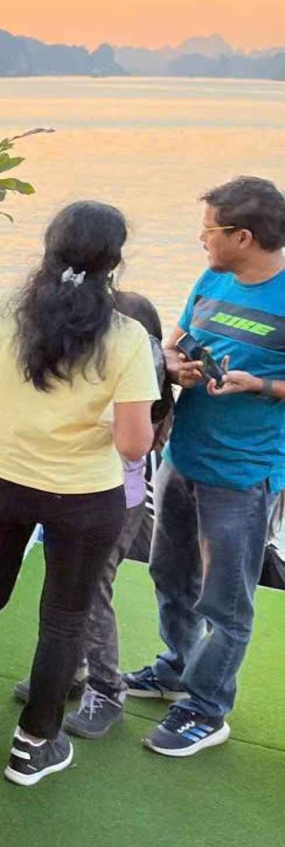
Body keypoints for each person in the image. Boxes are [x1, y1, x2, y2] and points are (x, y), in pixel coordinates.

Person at [0, 201, 159, 786]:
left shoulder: (3, 308)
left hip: (0, 482)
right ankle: (34, 744)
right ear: (113, 262)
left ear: (49, 248)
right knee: (64, 618)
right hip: (82, 498)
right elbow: (134, 444)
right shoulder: (127, 337)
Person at [124, 175, 285, 757]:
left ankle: (206, 708)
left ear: (243, 237)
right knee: (169, 574)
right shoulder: (213, 277)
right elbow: (174, 343)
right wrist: (176, 367)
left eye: (209, 231)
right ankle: (176, 667)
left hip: (244, 475)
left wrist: (259, 385)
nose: (201, 240)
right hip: (181, 458)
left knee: (226, 602)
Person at [10, 289, 174, 739]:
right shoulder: (117, 371)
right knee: (68, 588)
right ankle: (72, 669)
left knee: (91, 593)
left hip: (116, 503)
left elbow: (129, 443)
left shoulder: (142, 382)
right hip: (80, 496)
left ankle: (106, 689)